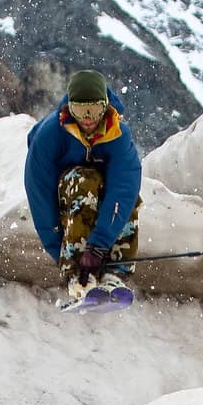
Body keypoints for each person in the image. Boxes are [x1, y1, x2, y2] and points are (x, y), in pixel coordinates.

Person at [24, 69, 143, 305]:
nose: (88, 118)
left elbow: (124, 189)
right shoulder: (50, 136)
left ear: (106, 106)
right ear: (69, 107)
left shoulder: (118, 135)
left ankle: (114, 274)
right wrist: (61, 254)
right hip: (68, 197)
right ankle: (79, 279)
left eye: (95, 109)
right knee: (83, 180)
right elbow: (40, 197)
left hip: (102, 195)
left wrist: (99, 246)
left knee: (128, 200)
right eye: (80, 109)